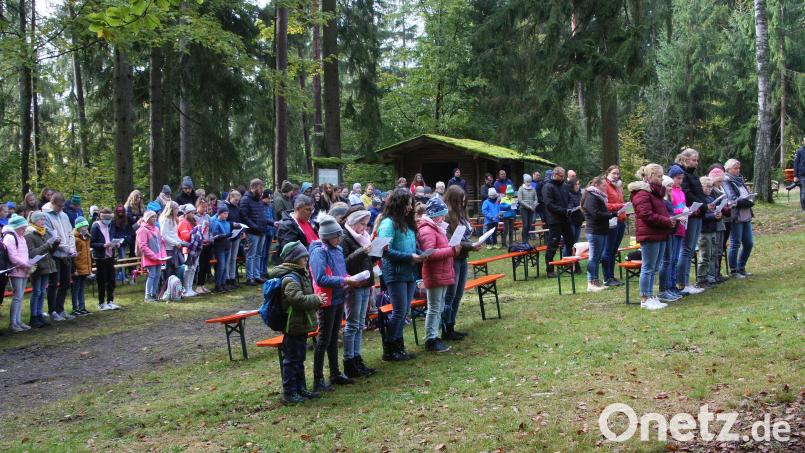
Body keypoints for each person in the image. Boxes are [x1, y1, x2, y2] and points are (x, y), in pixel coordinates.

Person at [272, 241, 327, 405]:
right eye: (304, 256)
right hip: (293, 324)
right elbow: (296, 300)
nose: (306, 259)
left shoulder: (300, 273)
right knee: (292, 359)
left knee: (299, 358)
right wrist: (316, 299)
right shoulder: (290, 278)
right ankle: (289, 393)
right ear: (295, 258)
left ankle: (300, 388)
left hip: (300, 323)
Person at [309, 215, 360, 392]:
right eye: (337, 236)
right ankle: (318, 379)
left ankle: (335, 373)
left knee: (333, 338)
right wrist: (344, 281)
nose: (339, 239)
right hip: (326, 299)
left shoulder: (336, 250)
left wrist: (350, 279)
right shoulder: (318, 252)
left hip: (339, 296)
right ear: (328, 236)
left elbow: (341, 271)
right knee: (323, 339)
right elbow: (321, 278)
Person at [377, 188, 426, 361]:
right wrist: (409, 257)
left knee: (404, 311)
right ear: (398, 204)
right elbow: (385, 251)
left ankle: (399, 347)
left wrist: (420, 253)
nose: (410, 207)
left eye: (411, 204)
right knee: (398, 312)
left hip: (409, 271)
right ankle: (389, 349)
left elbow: (411, 245)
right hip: (395, 272)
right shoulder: (387, 224)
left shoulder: (407, 223)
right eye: (407, 204)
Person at [417, 197, 461, 353]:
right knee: (434, 307)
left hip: (442, 272)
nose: (443, 218)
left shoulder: (436, 228)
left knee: (439, 305)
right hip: (434, 273)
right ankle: (430, 339)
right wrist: (451, 250)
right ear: (433, 214)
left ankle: (435, 336)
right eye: (441, 215)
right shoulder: (427, 230)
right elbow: (429, 253)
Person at [630, 164, 675, 310]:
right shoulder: (642, 193)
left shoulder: (656, 193)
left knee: (655, 267)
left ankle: (651, 295)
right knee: (648, 267)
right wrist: (667, 221)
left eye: (662, 176)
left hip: (660, 232)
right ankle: (645, 298)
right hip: (649, 234)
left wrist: (670, 219)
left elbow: (659, 212)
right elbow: (646, 215)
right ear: (649, 177)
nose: (661, 179)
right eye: (659, 176)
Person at [341, 209, 377, 378]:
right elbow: (344, 264)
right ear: (353, 222)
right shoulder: (344, 238)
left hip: (365, 283)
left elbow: (367, 261)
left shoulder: (363, 237)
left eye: (365, 224)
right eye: (361, 224)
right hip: (353, 285)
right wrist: (362, 251)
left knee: (360, 323)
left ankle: (357, 358)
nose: (364, 228)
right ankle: (349, 361)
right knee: (352, 323)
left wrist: (376, 252)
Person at [442, 186, 479, 341]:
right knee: (450, 294)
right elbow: (450, 240)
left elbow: (463, 235)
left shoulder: (462, 213)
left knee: (458, 294)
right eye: (459, 201)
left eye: (463, 201)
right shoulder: (446, 216)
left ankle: (452, 325)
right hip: (453, 259)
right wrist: (470, 245)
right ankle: (446, 328)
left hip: (463, 257)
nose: (461, 204)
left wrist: (472, 243)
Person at [671, 148, 708, 294]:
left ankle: (685, 281)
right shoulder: (681, 174)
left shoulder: (691, 174)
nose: (696, 163)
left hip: (698, 212)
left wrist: (704, 205)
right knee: (686, 249)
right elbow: (687, 193)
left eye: (697, 160)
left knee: (691, 249)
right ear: (685, 159)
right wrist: (701, 205)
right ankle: (682, 282)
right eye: (693, 160)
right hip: (690, 213)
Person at [43, 193, 77, 321]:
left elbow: (70, 233)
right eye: (59, 206)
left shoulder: (64, 215)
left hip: (66, 254)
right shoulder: (46, 216)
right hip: (55, 254)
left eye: (63, 206)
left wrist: (71, 248)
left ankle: (60, 309)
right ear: (53, 203)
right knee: (53, 283)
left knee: (66, 282)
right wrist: (64, 247)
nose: (61, 209)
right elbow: (52, 236)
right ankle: (52, 311)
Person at [581, 176, 616, 292]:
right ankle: (591, 282)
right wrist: (611, 215)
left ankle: (595, 281)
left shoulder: (598, 196)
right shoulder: (591, 196)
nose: (605, 188)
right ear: (596, 185)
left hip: (601, 230)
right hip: (595, 231)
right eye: (603, 186)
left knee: (597, 257)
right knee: (594, 257)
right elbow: (596, 214)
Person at [24, 211, 59, 327]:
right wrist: (47, 244)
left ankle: (40, 315)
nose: (43, 222)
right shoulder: (29, 234)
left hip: (47, 266)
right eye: (41, 219)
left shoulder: (46, 232)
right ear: (34, 221)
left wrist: (55, 244)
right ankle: (34, 317)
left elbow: (51, 251)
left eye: (44, 219)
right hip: (37, 267)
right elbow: (32, 253)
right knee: (36, 292)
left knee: (43, 292)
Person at [722, 159, 754, 278]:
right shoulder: (726, 180)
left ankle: (741, 267)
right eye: (735, 168)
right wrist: (746, 201)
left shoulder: (740, 180)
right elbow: (732, 198)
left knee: (749, 243)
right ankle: (734, 270)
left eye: (738, 168)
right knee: (735, 243)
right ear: (728, 169)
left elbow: (745, 195)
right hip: (735, 215)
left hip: (746, 214)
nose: (738, 170)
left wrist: (749, 199)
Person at [3, 215, 34, 332]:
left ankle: (19, 321)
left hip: (24, 270)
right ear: (16, 227)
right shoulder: (10, 237)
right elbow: (13, 257)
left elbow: (24, 253)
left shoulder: (21, 237)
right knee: (17, 296)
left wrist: (29, 264)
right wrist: (26, 265)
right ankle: (13, 323)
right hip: (16, 270)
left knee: (20, 297)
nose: (24, 230)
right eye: (22, 228)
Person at [657, 175, 685, 302]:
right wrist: (676, 217)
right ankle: (664, 289)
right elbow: (665, 216)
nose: (670, 188)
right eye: (668, 185)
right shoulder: (661, 200)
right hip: (667, 232)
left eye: (670, 185)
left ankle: (669, 287)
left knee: (670, 260)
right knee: (667, 261)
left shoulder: (668, 199)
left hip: (673, 230)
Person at [542, 167, 574, 278]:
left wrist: (569, 208)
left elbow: (570, 199)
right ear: (555, 175)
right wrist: (563, 211)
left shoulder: (565, 186)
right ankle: (549, 269)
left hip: (566, 219)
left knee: (570, 241)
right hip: (554, 220)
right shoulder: (548, 186)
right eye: (561, 175)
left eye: (563, 175)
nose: (563, 177)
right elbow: (549, 204)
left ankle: (570, 264)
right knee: (553, 244)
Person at [601, 165, 627, 287]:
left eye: (618, 174)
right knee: (608, 250)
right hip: (611, 220)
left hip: (621, 220)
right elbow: (604, 205)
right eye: (614, 173)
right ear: (607, 173)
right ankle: (607, 278)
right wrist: (620, 206)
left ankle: (611, 276)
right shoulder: (604, 185)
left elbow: (619, 202)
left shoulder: (618, 186)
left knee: (614, 250)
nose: (616, 176)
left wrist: (624, 207)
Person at [239, 179, 269, 286]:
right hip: (251, 232)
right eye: (260, 188)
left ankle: (256, 276)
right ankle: (250, 277)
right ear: (253, 187)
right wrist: (254, 226)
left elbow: (262, 216)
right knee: (251, 255)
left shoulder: (258, 200)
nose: (262, 190)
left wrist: (270, 223)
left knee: (258, 254)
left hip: (261, 231)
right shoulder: (245, 200)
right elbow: (244, 216)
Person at [90, 209, 121, 310]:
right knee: (102, 280)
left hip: (110, 256)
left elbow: (112, 237)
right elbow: (91, 243)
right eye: (106, 218)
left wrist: (116, 243)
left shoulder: (111, 225)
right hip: (100, 257)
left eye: (110, 218)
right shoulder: (96, 226)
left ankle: (110, 300)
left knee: (111, 279)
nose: (108, 220)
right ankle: (101, 302)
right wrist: (103, 245)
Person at [696, 177, 721, 288]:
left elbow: (714, 212)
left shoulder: (711, 199)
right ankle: (701, 279)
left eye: (711, 186)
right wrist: (713, 216)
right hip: (704, 230)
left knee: (712, 254)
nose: (710, 189)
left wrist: (718, 216)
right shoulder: (700, 200)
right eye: (707, 186)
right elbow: (702, 216)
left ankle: (709, 277)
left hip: (713, 229)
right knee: (704, 255)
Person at [136, 210, 166, 302]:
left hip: (158, 257)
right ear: (147, 218)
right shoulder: (142, 230)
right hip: (150, 258)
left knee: (158, 275)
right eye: (152, 217)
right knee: (152, 275)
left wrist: (162, 255)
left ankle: (154, 293)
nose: (154, 218)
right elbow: (143, 246)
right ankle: (148, 295)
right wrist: (153, 255)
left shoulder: (156, 229)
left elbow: (160, 243)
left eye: (155, 217)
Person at [708, 167, 730, 282]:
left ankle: (717, 273)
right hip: (714, 221)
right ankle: (712, 275)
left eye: (721, 181)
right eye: (718, 181)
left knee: (719, 249)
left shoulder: (721, 189)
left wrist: (727, 207)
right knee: (714, 249)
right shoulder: (711, 191)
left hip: (721, 221)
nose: (720, 183)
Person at [178, 204, 203, 297]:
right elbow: (185, 237)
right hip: (187, 249)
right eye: (192, 213)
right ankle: (185, 288)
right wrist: (194, 231)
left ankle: (190, 287)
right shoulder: (183, 223)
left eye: (194, 212)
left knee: (193, 269)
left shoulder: (194, 221)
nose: (194, 215)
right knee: (188, 268)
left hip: (195, 248)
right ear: (187, 213)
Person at [72, 216, 94, 315]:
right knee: (76, 288)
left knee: (81, 288)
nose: (85, 228)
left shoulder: (87, 238)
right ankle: (75, 308)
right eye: (83, 227)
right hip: (77, 268)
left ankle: (82, 307)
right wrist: (74, 269)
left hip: (85, 267)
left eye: (86, 226)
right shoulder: (75, 239)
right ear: (78, 227)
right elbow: (73, 255)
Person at [159, 201, 186, 279]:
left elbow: (174, 234)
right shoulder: (165, 219)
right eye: (176, 209)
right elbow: (164, 235)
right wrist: (175, 243)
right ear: (171, 209)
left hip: (174, 248)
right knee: (168, 270)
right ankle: (167, 288)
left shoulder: (174, 219)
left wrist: (180, 242)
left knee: (177, 268)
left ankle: (176, 287)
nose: (177, 210)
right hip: (168, 249)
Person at [210, 202, 233, 292]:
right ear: (219, 214)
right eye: (224, 213)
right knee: (221, 266)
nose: (226, 215)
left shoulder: (227, 223)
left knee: (225, 266)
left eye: (227, 213)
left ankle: (223, 283)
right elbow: (215, 236)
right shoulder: (216, 223)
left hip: (227, 246)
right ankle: (218, 284)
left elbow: (229, 235)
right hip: (219, 247)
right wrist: (225, 235)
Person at [193, 198, 214, 294]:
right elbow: (195, 231)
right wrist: (201, 240)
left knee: (206, 265)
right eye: (202, 207)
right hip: (199, 244)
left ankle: (203, 285)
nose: (205, 209)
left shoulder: (208, 217)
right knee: (200, 265)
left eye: (206, 207)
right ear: (197, 206)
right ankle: (198, 285)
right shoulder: (194, 217)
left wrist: (210, 239)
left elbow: (210, 230)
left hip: (207, 244)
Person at [224, 190, 243, 289]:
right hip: (228, 235)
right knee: (228, 258)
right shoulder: (225, 207)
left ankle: (232, 277)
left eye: (238, 200)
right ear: (230, 197)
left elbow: (239, 219)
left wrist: (241, 228)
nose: (237, 202)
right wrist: (232, 224)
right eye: (235, 200)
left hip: (237, 235)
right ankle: (227, 278)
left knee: (233, 258)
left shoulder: (236, 208)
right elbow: (224, 220)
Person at [565, 177, 583, 266]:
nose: (577, 186)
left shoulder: (580, 194)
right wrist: (578, 208)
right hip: (571, 221)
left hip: (578, 221)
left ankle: (575, 263)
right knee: (569, 243)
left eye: (579, 184)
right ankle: (567, 263)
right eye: (576, 184)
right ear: (571, 185)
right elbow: (569, 209)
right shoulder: (568, 194)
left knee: (576, 243)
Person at [112, 204, 133, 282]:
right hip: (115, 242)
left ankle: (123, 276)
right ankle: (117, 276)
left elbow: (129, 232)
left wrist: (125, 239)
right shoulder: (113, 221)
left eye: (121, 211)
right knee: (116, 259)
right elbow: (113, 232)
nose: (120, 212)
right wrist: (117, 240)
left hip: (124, 242)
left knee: (123, 258)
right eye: (118, 211)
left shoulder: (126, 220)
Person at [517, 174, 538, 243]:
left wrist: (534, 205)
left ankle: (527, 240)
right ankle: (524, 241)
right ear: (524, 181)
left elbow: (535, 199)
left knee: (529, 225)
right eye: (527, 182)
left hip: (531, 209)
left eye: (530, 182)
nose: (528, 183)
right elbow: (520, 200)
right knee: (525, 225)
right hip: (524, 209)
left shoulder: (533, 189)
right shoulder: (521, 188)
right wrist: (528, 206)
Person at [261, 191, 276, 272]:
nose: (270, 200)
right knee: (262, 252)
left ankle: (265, 270)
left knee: (267, 252)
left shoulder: (270, 206)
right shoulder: (260, 205)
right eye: (268, 198)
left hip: (270, 231)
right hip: (264, 231)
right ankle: (261, 271)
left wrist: (274, 230)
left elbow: (273, 217)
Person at [793, 137, 805, 212]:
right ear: (803, 142)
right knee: (803, 192)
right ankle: (804, 208)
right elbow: (795, 164)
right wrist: (795, 176)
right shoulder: (799, 151)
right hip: (802, 175)